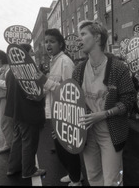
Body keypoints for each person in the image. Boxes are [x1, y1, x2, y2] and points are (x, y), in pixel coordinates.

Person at [75, 20, 136, 186]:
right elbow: (72, 100)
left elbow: (129, 100)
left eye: (83, 34)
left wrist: (104, 114)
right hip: (87, 133)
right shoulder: (79, 69)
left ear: (97, 37)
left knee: (112, 180)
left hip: (111, 132)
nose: (78, 39)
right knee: (93, 177)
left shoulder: (118, 68)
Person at [37, 28, 82, 186]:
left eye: (52, 41)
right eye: (46, 41)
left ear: (61, 44)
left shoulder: (65, 61)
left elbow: (70, 90)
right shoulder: (53, 61)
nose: (48, 44)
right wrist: (40, 91)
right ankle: (74, 174)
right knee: (61, 149)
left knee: (67, 149)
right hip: (54, 111)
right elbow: (52, 86)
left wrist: (45, 81)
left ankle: (76, 179)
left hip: (65, 113)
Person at [5, 44, 46, 179]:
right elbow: (37, 93)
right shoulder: (28, 69)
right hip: (29, 112)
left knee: (18, 140)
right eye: (30, 51)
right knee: (29, 142)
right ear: (25, 54)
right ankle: (29, 170)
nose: (32, 53)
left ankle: (13, 168)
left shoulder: (11, 70)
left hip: (15, 112)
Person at [0, 50, 14, 154]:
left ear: (0, 58)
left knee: (5, 122)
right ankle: (10, 142)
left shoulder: (8, 68)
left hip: (5, 97)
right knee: (6, 121)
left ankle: (9, 144)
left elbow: (7, 84)